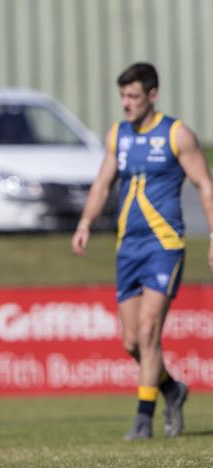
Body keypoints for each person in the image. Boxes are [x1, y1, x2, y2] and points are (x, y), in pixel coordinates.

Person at [71, 62, 213, 440]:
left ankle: (143, 419)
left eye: (133, 96)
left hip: (165, 246)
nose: (126, 103)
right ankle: (172, 389)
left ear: (153, 95)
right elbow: (102, 184)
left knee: (150, 331)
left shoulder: (177, 134)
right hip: (127, 248)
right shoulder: (118, 134)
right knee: (132, 342)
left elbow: (205, 185)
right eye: (122, 96)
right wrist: (85, 223)